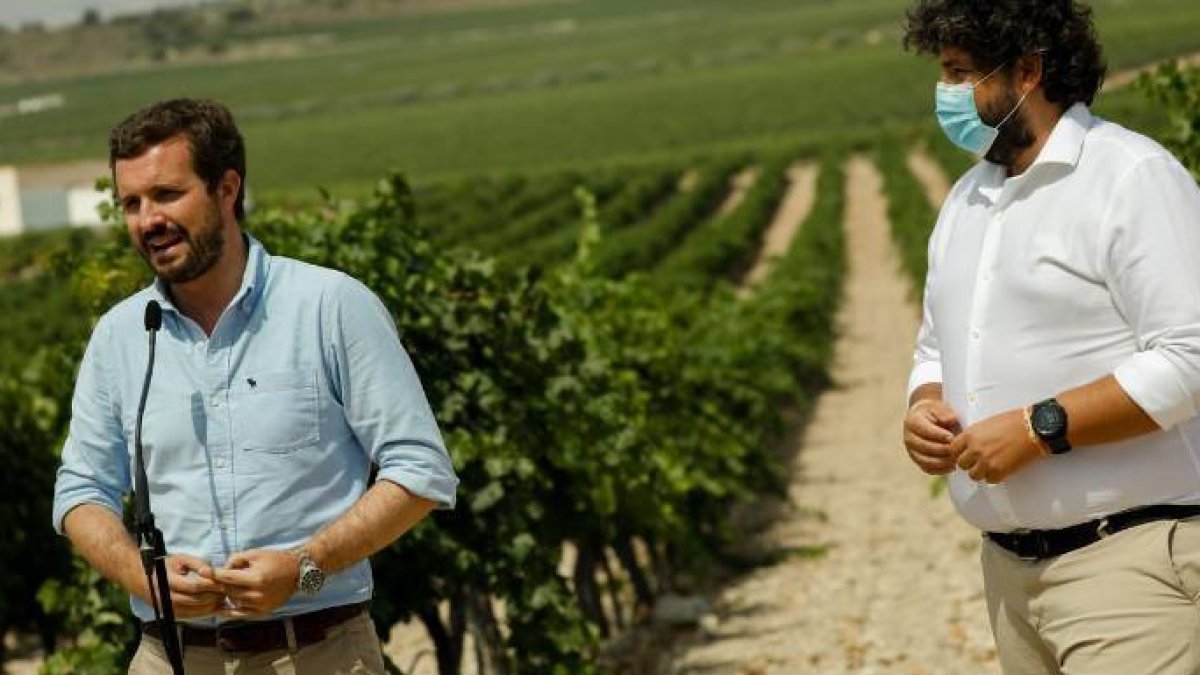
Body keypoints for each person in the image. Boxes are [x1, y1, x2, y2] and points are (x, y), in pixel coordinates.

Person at [52, 98, 459, 674]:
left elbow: (420, 471)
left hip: (319, 653)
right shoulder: (119, 335)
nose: (148, 220)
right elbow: (80, 491)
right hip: (166, 658)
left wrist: (303, 567)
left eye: (167, 195)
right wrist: (140, 575)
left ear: (227, 188)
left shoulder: (330, 306)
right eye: (131, 203)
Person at [901, 1, 1200, 673]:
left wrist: (1039, 428)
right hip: (1009, 576)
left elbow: (1191, 358)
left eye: (959, 73)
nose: (945, 94)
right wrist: (923, 405)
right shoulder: (967, 200)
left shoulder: (1128, 177)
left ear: (1028, 71)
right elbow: (934, 347)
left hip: (1129, 567)